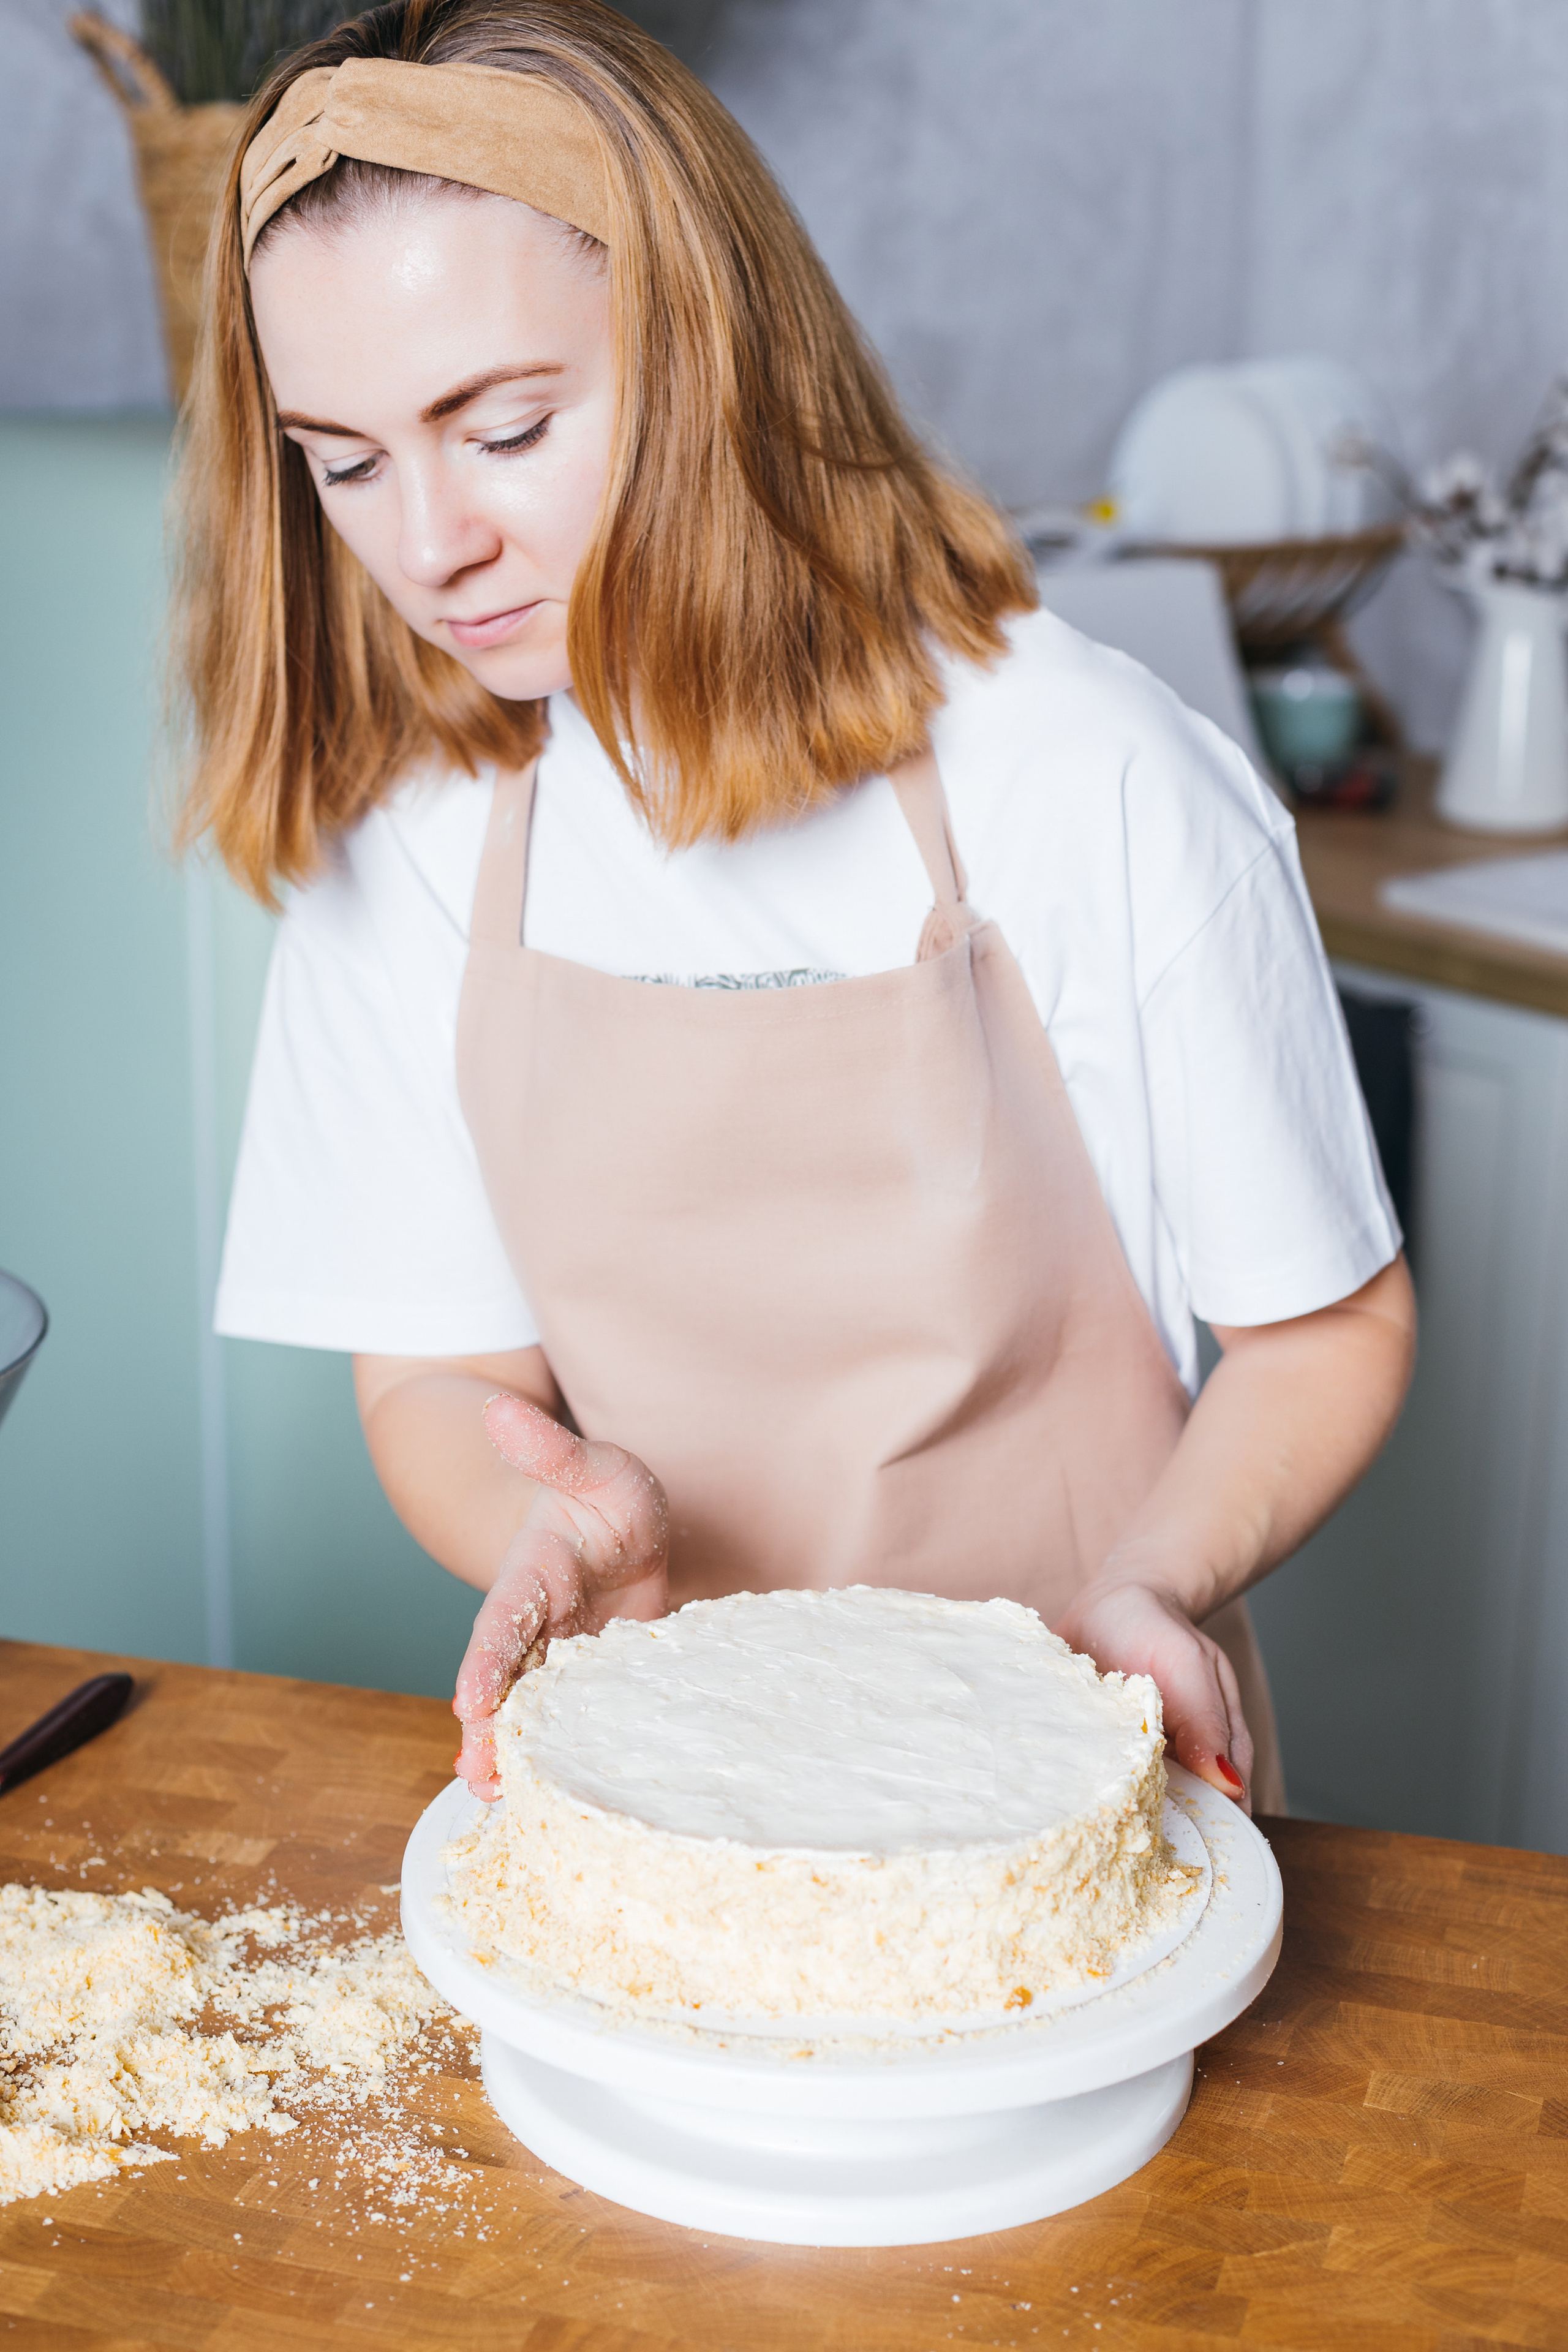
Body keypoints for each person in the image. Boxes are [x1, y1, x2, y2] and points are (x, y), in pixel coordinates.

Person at [185, 0, 1415, 1814]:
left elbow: (1326, 1337)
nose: (427, 543)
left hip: (1090, 1783)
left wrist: (1148, 1587)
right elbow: (437, 1373)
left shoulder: (1083, 770)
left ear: (705, 355)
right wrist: (551, 1520)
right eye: (347, 461)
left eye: (505, 426)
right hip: (674, 1804)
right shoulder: (416, 836)